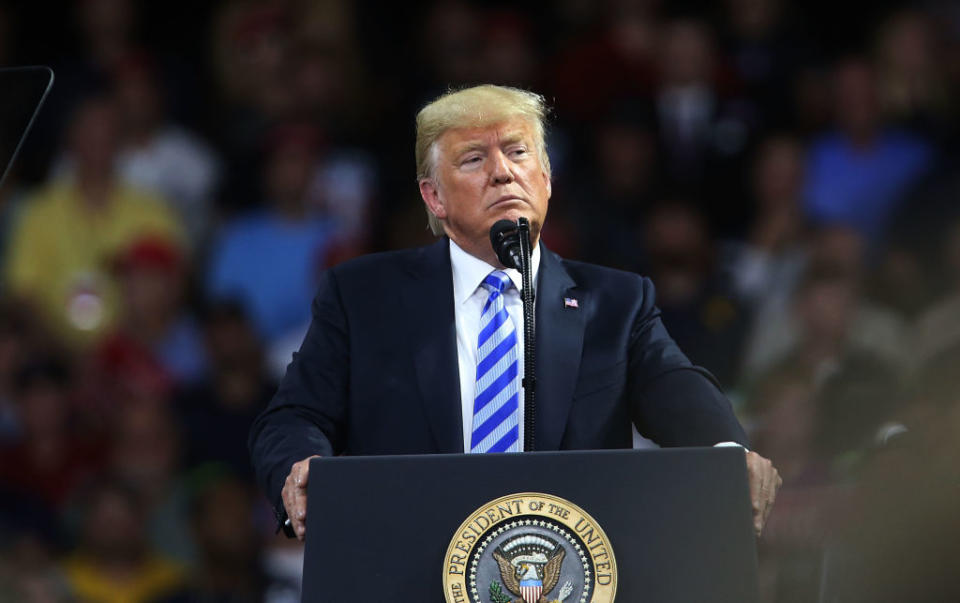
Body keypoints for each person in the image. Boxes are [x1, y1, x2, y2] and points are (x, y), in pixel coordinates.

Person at [249, 85, 780, 542]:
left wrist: (726, 454)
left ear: (546, 178)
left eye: (518, 153)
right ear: (434, 197)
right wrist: (301, 468)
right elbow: (294, 418)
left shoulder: (615, 303)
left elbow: (678, 393)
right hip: (410, 563)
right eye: (474, 159)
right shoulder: (363, 296)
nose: (502, 173)